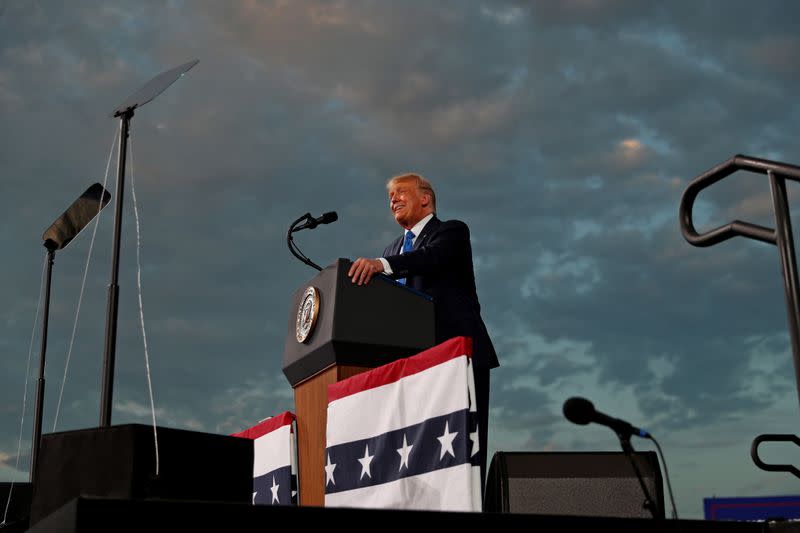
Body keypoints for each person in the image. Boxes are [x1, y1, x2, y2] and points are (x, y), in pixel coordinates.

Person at [348, 173, 498, 495]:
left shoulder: (451, 232)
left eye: (401, 193)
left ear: (425, 198)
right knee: (421, 456)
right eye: (390, 197)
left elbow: (429, 259)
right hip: (411, 368)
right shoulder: (390, 249)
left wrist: (382, 265)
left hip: (457, 358)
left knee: (463, 451)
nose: (393, 201)